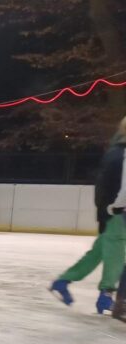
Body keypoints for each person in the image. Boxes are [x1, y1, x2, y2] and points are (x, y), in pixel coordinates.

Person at [50, 116, 126, 315]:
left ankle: (63, 281)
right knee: (116, 254)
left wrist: (103, 211)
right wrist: (114, 208)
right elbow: (121, 188)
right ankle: (106, 296)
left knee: (98, 252)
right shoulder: (121, 155)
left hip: (107, 210)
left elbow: (104, 185)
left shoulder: (114, 152)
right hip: (116, 211)